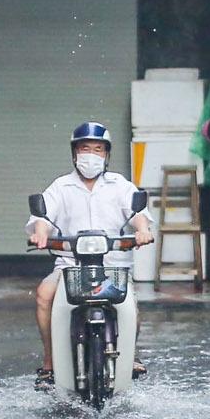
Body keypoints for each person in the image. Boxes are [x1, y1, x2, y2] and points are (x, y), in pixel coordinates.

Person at [26, 122, 154, 387]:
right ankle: (49, 362)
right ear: (75, 153)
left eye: (98, 149)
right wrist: (40, 234)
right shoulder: (61, 186)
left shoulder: (119, 185)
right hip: (70, 266)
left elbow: (138, 213)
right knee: (44, 294)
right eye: (85, 149)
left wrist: (142, 231)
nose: (91, 155)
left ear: (106, 155)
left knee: (129, 304)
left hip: (113, 266)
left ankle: (129, 355)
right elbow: (43, 217)